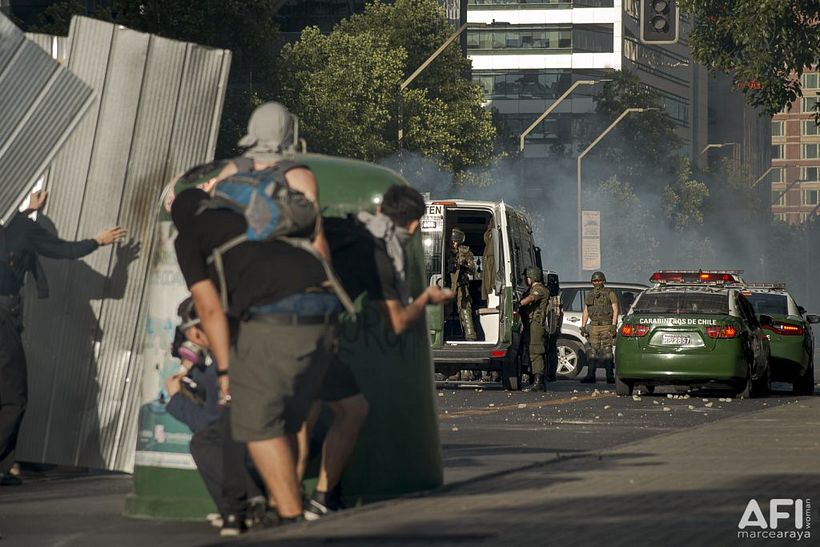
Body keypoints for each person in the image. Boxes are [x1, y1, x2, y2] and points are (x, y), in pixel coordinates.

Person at [172, 101, 339, 525]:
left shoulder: (227, 177)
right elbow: (317, 245)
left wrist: (225, 369)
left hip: (267, 315)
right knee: (291, 415)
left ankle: (286, 516)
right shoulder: (299, 174)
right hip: (316, 302)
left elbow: (210, 302)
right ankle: (289, 501)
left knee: (253, 421)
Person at [314, 185, 452, 516]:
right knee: (353, 409)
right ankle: (321, 496)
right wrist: (426, 299)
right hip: (315, 335)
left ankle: (286, 497)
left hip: (272, 324)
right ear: (415, 225)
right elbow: (399, 321)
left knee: (304, 413)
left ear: (379, 211)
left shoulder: (342, 227)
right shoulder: (380, 255)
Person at [0, 190, 125, 486]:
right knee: (14, 397)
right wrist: (99, 241)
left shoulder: (17, 226)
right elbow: (65, 251)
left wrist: (29, 209)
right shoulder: (24, 229)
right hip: (3, 318)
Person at [165, 297, 264, 536]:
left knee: (205, 441)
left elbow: (207, 423)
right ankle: (238, 507)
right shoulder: (235, 350)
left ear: (199, 332)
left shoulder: (222, 364)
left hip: (255, 434)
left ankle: (247, 504)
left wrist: (177, 398)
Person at [580, 271, 619, 384]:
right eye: (595, 281)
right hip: (594, 326)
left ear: (603, 281)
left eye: (599, 280)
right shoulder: (590, 294)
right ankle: (591, 376)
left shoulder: (610, 293)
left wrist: (613, 325)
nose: (597, 282)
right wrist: (583, 326)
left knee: (607, 351)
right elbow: (586, 311)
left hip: (606, 325)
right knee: (592, 352)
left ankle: (610, 376)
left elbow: (615, 309)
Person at [520, 267, 548, 392]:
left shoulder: (539, 289)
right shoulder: (532, 289)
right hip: (530, 323)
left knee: (535, 351)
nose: (526, 279)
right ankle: (535, 379)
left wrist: (519, 303)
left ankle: (538, 381)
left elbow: (531, 298)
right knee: (530, 350)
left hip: (536, 324)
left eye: (528, 277)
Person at [447, 227, 476, 342]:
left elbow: (472, 269)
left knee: (465, 308)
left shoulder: (465, 252)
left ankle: (470, 336)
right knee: (443, 309)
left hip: (461, 285)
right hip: (446, 284)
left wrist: (465, 264)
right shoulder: (444, 250)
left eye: (455, 241)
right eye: (452, 240)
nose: (453, 243)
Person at [543, 272, 563, 383]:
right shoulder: (557, 296)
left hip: (546, 325)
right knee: (551, 351)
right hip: (554, 325)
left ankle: (547, 374)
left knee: (546, 351)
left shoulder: (543, 293)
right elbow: (561, 312)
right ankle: (551, 374)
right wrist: (559, 326)